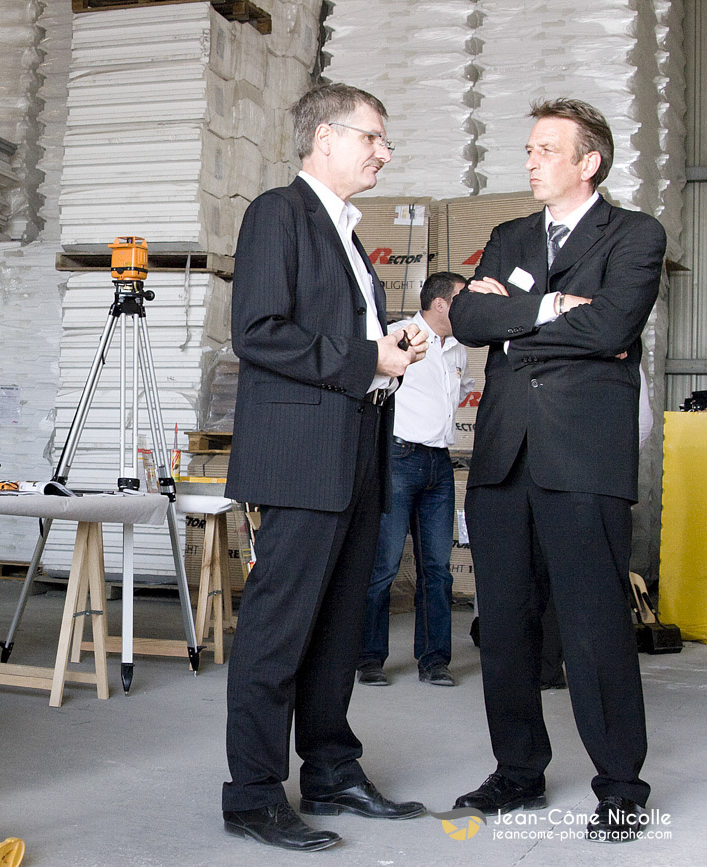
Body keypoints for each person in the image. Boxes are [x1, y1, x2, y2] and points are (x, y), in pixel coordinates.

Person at [448, 98, 664, 844]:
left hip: (583, 458)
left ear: (588, 162)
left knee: (594, 625)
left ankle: (621, 787)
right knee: (505, 627)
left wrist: (516, 322)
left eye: (546, 149)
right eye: (530, 148)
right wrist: (552, 310)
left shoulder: (635, 234)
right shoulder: (510, 236)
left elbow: (614, 324)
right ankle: (517, 770)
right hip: (505, 457)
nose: (531, 160)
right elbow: (467, 320)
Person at [221, 83, 429, 853]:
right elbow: (258, 331)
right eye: (373, 137)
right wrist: (367, 356)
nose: (384, 152)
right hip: (302, 457)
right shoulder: (279, 213)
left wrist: (392, 349)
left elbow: (337, 338)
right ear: (326, 137)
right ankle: (251, 793)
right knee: (277, 631)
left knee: (340, 627)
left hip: (357, 449)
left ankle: (332, 769)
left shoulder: (346, 234)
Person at [357, 272, 473, 688]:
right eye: (463, 300)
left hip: (439, 464)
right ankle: (369, 658)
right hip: (399, 459)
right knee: (384, 566)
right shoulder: (400, 336)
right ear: (440, 304)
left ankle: (434, 660)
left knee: (438, 569)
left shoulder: (459, 349)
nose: (470, 309)